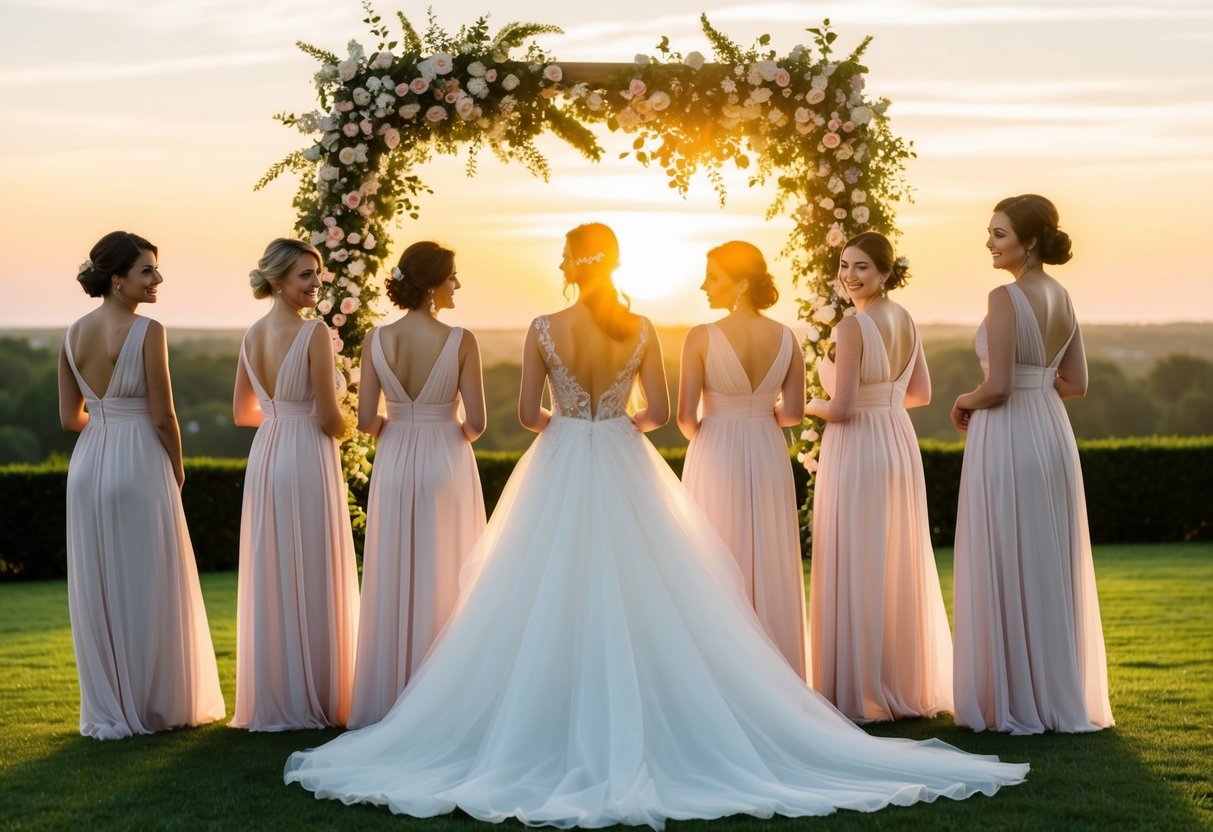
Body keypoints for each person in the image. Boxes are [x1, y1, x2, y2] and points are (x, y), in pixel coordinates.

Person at [284, 223, 1027, 827]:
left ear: (570, 266)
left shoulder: (543, 326)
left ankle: (548, 707)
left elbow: (526, 416)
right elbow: (662, 413)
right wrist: (616, 422)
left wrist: (570, 423)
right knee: (651, 586)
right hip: (622, 455)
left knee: (541, 587)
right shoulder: (640, 327)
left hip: (562, 457)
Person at [951, 195, 1113, 734]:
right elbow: (1077, 383)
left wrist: (964, 400)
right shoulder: (1062, 296)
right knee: (1047, 556)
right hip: (1050, 431)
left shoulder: (1004, 297)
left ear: (1031, 241)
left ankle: (1015, 696)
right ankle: (1052, 692)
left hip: (1008, 432)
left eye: (999, 234)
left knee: (1007, 551)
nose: (990, 243)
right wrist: (1036, 389)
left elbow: (996, 387)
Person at [58, 231, 224, 739]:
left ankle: (110, 704)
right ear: (117, 279)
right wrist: (177, 466)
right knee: (150, 581)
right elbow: (163, 415)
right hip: (138, 460)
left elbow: (69, 418)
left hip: (87, 465)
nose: (157, 279)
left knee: (101, 586)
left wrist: (106, 427)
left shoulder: (71, 334)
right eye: (147, 270)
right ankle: (154, 704)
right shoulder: (148, 331)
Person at [806, 232, 952, 722]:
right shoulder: (905, 318)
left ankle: (861, 686)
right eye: (844, 265)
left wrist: (804, 403)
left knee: (859, 554)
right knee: (891, 556)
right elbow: (921, 394)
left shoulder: (853, 326)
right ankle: (898, 682)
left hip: (858, 447)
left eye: (862, 267)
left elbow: (841, 409)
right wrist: (883, 402)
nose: (849, 276)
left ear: (886, 272)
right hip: (896, 440)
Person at [348, 242, 487, 728]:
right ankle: (444, 694)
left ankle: (391, 693)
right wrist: (445, 431)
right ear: (431, 284)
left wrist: (398, 428)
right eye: (452, 276)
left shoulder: (376, 339)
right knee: (447, 569)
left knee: (393, 568)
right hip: (446, 457)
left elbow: (365, 420)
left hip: (394, 458)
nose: (457, 284)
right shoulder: (461, 339)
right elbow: (477, 423)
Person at [230, 238, 360, 731]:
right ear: (278, 280)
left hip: (267, 452)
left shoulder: (251, 335)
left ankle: (278, 692)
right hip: (306, 452)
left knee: (275, 568)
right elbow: (328, 416)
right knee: (312, 564)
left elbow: (242, 413)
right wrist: (351, 426)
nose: (316, 283)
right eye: (306, 275)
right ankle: (318, 692)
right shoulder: (314, 333)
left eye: (317, 273)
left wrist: (280, 416)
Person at [678, 241, 809, 680]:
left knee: (714, 554)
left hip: (715, 448)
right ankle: (778, 673)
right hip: (768, 449)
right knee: (769, 555)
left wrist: (716, 435)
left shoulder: (700, 337)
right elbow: (794, 413)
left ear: (741, 285)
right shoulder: (787, 337)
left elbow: (685, 416)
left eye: (713, 277)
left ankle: (721, 672)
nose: (704, 285)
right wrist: (757, 419)